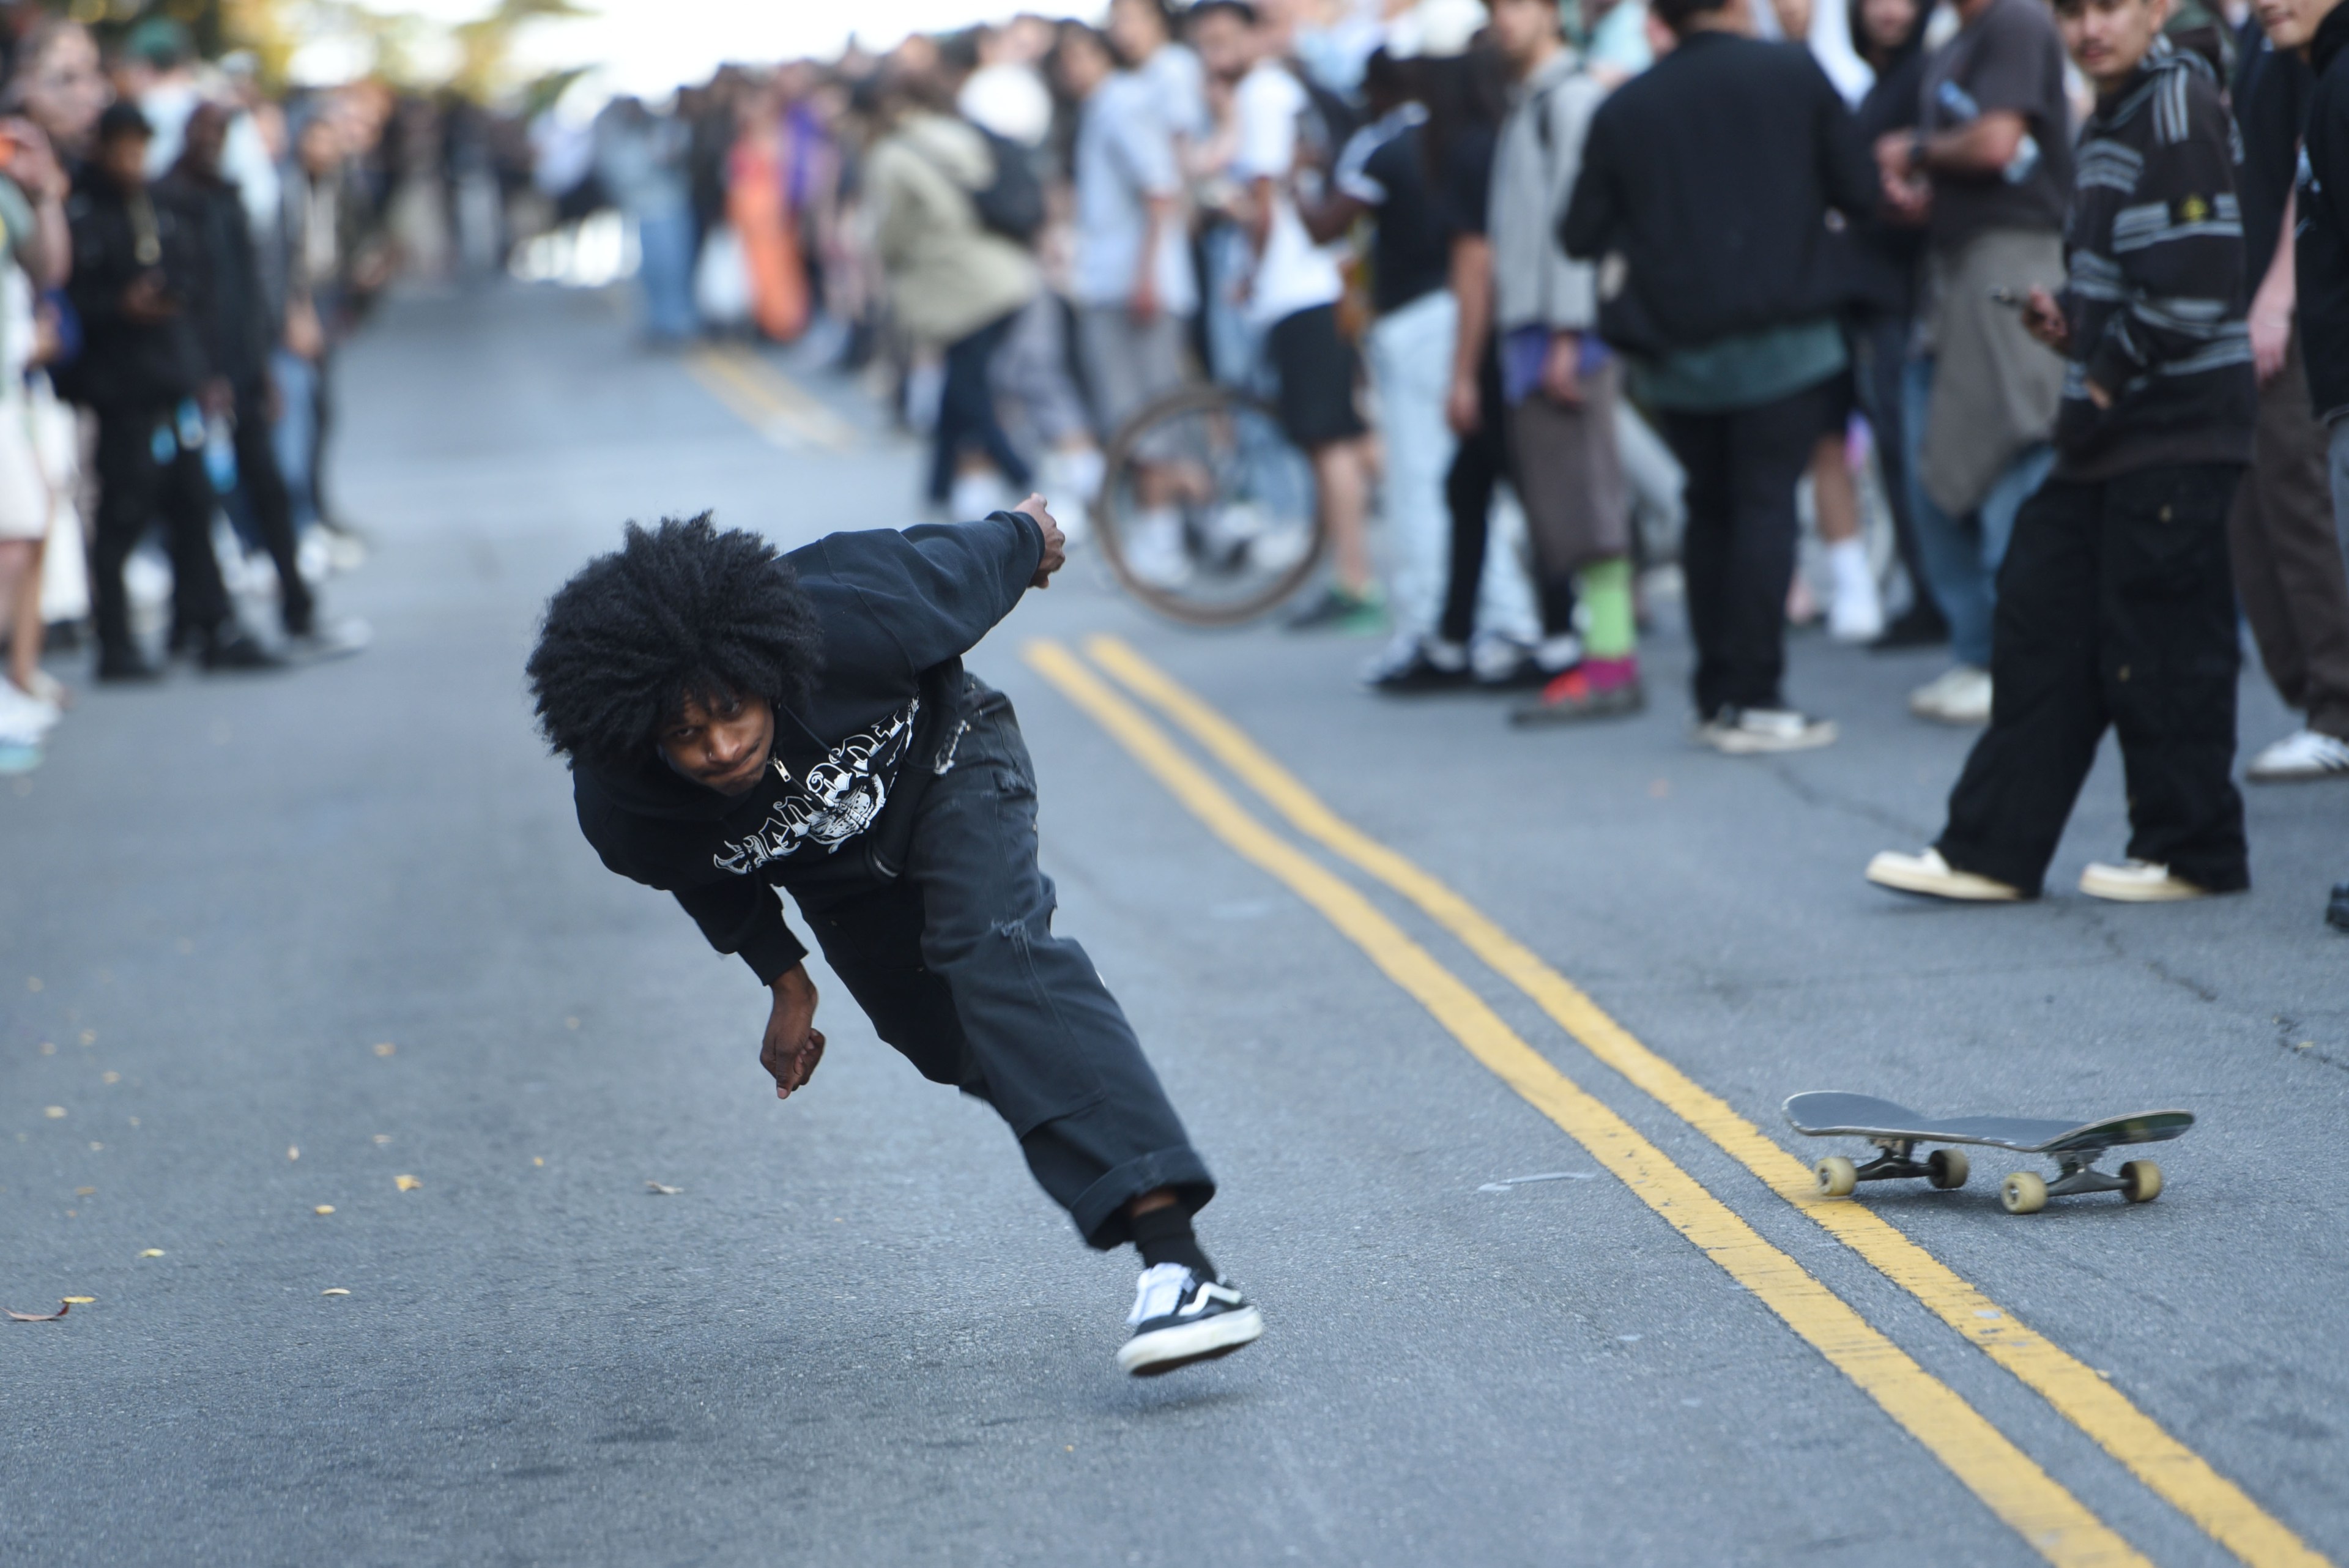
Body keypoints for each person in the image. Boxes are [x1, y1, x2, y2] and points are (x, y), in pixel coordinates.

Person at [526, 499, 1264, 1377]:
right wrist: (786, 980)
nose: (721, 748)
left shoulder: (852, 612)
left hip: (950, 761)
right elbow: (704, 869)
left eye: (733, 712)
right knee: (949, 1040)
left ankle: (1177, 1260)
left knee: (995, 957)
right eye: (686, 736)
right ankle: (1092, 1093)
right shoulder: (626, 807)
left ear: (770, 668)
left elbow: (973, 557)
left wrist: (1028, 536)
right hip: (838, 876)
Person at [1868, 4, 2255, 904]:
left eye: (2110, 6)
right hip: (2108, 431)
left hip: (2173, 426)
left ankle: (2193, 851)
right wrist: (2074, 326)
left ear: (2157, 8)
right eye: (2073, 9)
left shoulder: (2176, 104)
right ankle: (1992, 848)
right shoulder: (2116, 110)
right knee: (2043, 625)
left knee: (2163, 645)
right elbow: (2148, 278)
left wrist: (2109, 367)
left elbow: (2200, 281)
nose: (2089, 27)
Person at [1562, 0, 1876, 752]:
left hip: (1679, 351)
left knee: (1710, 508)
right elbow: (1860, 191)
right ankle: (1757, 693)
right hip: (1788, 337)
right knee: (1767, 505)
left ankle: (1717, 693)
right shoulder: (1793, 74)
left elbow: (1578, 231)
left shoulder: (1628, 105)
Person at [1876, 0, 2073, 725]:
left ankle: (2011, 660)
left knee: (2007, 456)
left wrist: (1918, 153)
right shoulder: (1958, 37)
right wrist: (1925, 188)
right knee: (1941, 461)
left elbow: (1997, 144)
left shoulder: (2015, 24)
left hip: (2009, 258)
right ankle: (1976, 651)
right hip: (1953, 268)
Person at [61, 103, 274, 680]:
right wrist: (119, 308)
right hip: (121, 392)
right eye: (123, 149)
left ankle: (208, 624)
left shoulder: (166, 206)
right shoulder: (82, 213)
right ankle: (116, 643)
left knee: (194, 504)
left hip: (172, 384)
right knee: (124, 516)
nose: (132, 162)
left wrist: (205, 371)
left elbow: (196, 294)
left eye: (140, 149)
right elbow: (71, 306)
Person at [1190, 0, 1381, 633]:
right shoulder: (1277, 90)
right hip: (1313, 285)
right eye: (1206, 46)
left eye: (1225, 40)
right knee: (1345, 436)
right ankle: (1353, 573)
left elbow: (1265, 198)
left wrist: (1249, 270)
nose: (1217, 56)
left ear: (1252, 35)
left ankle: (1355, 579)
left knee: (1330, 439)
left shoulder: (1264, 94)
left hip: (1299, 289)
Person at [162, 100, 367, 661]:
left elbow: (247, 293)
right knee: (191, 499)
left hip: (245, 369)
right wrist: (199, 375)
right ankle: (202, 623)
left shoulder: (228, 197)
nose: (211, 142)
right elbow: (180, 302)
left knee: (269, 487)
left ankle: (296, 611)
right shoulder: (170, 200)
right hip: (193, 377)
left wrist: (260, 368)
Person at [1485, 0, 1642, 723]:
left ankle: (1612, 663)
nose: (1503, 20)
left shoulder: (1569, 100)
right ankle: (1600, 653)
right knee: (1564, 501)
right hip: (1531, 328)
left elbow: (1580, 232)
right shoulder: (1533, 101)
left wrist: (1568, 334)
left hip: (1560, 332)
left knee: (1590, 500)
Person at [1296, 48, 1465, 678]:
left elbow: (1324, 228)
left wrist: (1301, 178)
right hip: (1463, 313)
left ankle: (1428, 628)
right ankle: (1497, 620)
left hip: (1414, 323)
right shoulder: (1458, 129)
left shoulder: (1383, 145)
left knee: (1419, 485)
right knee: (1469, 481)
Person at [2227, 25, 2349, 781]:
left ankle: (2339, 706)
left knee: (2299, 495)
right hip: (2244, 304)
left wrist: (2277, 294)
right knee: (2254, 506)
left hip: (2291, 308)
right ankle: (2315, 699)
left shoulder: (2327, 55)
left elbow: (2309, 176)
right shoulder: (2263, 42)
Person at [1056, 22, 1198, 585]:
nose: (1074, 68)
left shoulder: (1121, 104)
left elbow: (1160, 190)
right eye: (1065, 60)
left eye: (1084, 54)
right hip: (1114, 283)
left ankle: (1167, 539)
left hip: (1134, 289)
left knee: (1147, 418)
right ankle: (1179, 526)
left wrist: (1147, 277)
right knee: (1134, 417)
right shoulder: (1102, 108)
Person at [863, 72, 1040, 518]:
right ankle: (939, 489)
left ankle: (1027, 481)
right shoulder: (956, 134)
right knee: (959, 386)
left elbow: (889, 236)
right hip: (1002, 273)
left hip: (953, 288)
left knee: (968, 393)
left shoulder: (890, 158)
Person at [1841, 0, 1950, 652]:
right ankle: (1928, 589)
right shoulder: (1883, 84)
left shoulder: (1925, 75)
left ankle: (1939, 594)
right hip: (1879, 294)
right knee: (1892, 446)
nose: (1890, 9)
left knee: (1912, 444)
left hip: (1911, 295)